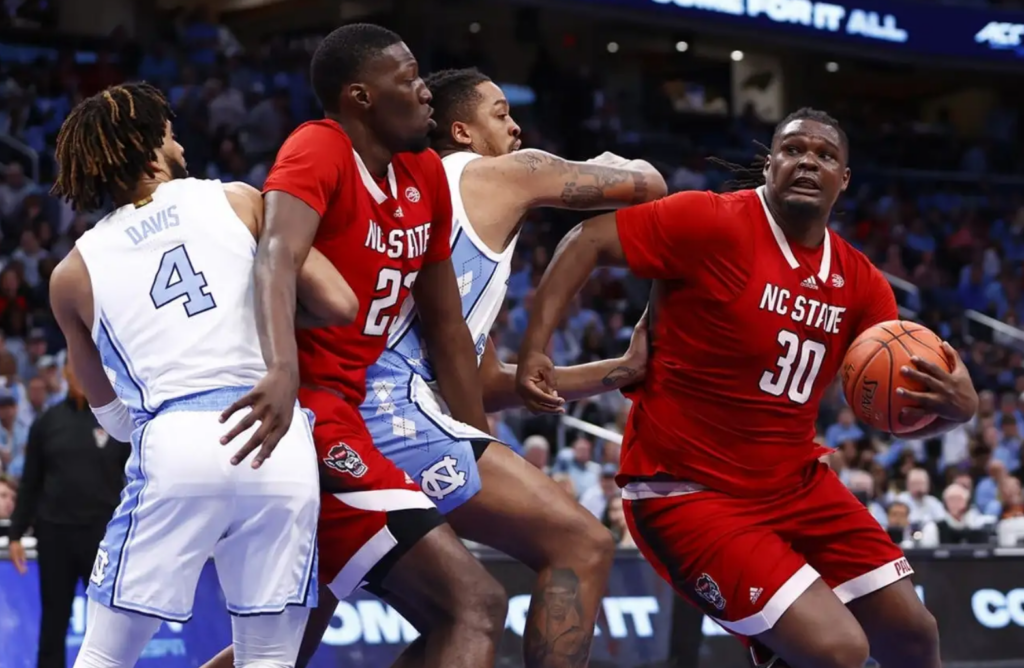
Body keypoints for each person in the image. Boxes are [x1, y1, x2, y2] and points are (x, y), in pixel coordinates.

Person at [516, 108, 980, 668]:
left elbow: (904, 401)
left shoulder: (861, 283)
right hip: (686, 492)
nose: (808, 160)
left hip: (795, 486)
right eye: (793, 149)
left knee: (913, 632)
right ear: (769, 164)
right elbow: (587, 238)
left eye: (825, 155)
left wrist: (960, 407)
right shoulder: (709, 221)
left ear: (845, 179)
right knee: (838, 649)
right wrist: (536, 346)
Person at [205, 25, 506, 668]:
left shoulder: (424, 172)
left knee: (283, 647)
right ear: (361, 96)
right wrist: (284, 370)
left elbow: (448, 327)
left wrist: (479, 444)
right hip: (306, 409)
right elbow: (276, 253)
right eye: (409, 79)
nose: (427, 92)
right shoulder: (318, 148)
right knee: (473, 606)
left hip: (358, 405)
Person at [355, 65, 665, 666]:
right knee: (582, 543)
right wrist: (602, 157)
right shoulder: (496, 175)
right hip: (387, 408)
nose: (516, 125)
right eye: (500, 113)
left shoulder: (433, 203)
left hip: (353, 415)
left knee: (457, 617)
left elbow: (488, 383)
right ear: (462, 132)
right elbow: (650, 184)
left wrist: (618, 370)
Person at [45, 82, 358, 668]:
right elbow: (340, 303)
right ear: (147, 145)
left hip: (180, 439)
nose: (177, 138)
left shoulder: (72, 273)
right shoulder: (240, 200)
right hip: (276, 432)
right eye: (167, 129)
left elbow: (112, 421)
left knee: (106, 654)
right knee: (267, 657)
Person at [7, 363, 129, 668]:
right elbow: (31, 482)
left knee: (109, 624)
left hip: (102, 538)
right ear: (65, 374)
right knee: (54, 621)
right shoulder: (46, 423)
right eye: (72, 369)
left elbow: (136, 477)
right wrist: (15, 534)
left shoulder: (116, 421)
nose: (78, 375)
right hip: (55, 537)